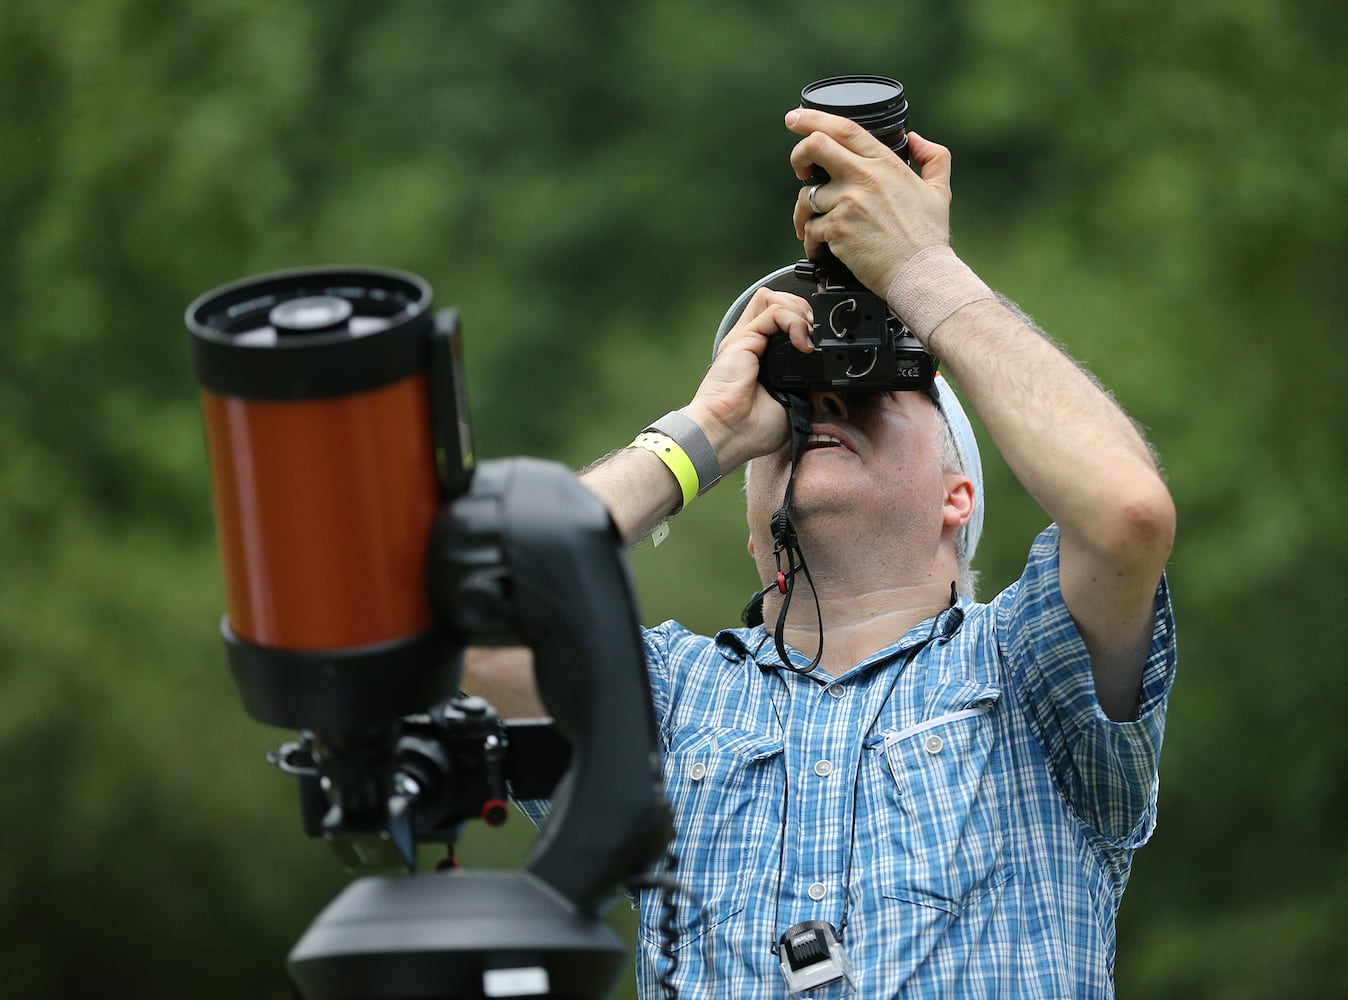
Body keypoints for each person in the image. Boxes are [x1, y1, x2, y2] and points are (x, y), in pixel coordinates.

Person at [464, 107, 1177, 998]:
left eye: (880, 385)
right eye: (797, 383)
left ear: (960, 496)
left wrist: (921, 272)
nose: (828, 398)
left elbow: (1128, 512)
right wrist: (710, 430)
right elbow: (466, 625)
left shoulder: (1031, 672)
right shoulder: (670, 703)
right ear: (749, 513)